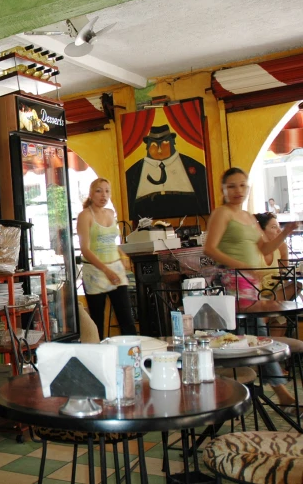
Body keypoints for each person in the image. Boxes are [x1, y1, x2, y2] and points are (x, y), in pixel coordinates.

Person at [203, 168, 298, 405]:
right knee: (255, 337)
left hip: (250, 285)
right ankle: (273, 393)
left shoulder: (248, 217)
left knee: (256, 337)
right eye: (232, 186)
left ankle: (267, 392)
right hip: (232, 282)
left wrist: (285, 232)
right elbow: (210, 249)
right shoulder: (221, 213)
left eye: (243, 185)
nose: (238, 191)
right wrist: (242, 266)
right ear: (223, 189)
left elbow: (265, 249)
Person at [77, 178, 136, 339]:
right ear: (91, 193)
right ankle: (100, 358)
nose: (103, 195)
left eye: (107, 191)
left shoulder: (110, 213)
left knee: (126, 317)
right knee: (97, 321)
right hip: (95, 271)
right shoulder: (85, 216)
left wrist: (122, 255)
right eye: (99, 191)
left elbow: (111, 242)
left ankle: (132, 356)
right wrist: (106, 270)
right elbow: (85, 249)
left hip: (115, 269)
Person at [125, 125, 209, 221]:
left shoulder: (193, 166)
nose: (159, 150)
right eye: (154, 145)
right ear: (147, 146)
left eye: (164, 143)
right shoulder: (134, 172)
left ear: (172, 142)